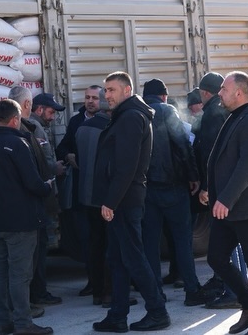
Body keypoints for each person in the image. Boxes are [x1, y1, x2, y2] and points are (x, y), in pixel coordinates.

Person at [92, 71, 170, 333]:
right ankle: (117, 315)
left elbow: (126, 167)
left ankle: (157, 312)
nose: (107, 95)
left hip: (124, 201)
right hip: (122, 199)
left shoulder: (130, 117)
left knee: (134, 258)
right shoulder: (127, 115)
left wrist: (111, 202)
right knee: (117, 259)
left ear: (127, 91)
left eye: (112, 90)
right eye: (106, 90)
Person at [199, 71, 248, 335]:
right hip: (228, 207)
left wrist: (225, 198)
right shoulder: (235, 117)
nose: (219, 93)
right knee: (216, 258)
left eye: (223, 89)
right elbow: (222, 159)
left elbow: (247, 167)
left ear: (238, 93)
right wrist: (209, 189)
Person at [0, 99, 55, 335]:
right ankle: (23, 323)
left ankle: (2, 322)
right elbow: (33, 184)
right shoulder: (19, 144)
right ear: (15, 119)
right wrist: (47, 186)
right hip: (20, 222)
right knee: (20, 274)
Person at [139, 79, 208, 307]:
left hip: (146, 190)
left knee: (150, 243)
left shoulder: (137, 111)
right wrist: (193, 176)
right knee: (182, 240)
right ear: (163, 96)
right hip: (173, 187)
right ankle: (191, 289)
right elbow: (182, 145)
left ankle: (155, 293)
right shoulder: (167, 110)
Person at [193, 72, 242, 308]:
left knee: (224, 240)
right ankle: (233, 287)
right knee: (232, 240)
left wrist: (206, 186)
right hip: (230, 186)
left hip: (220, 188)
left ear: (204, 93)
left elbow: (211, 156)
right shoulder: (228, 112)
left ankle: (233, 291)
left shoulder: (212, 114)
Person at [54, 84, 102, 297]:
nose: (90, 101)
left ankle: (107, 283)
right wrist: (68, 156)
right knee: (87, 239)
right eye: (87, 97)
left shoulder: (106, 122)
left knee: (104, 240)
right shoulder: (76, 121)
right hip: (81, 193)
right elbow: (62, 147)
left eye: (94, 98)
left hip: (101, 193)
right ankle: (93, 281)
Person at [28, 92, 67, 307]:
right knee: (38, 248)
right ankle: (39, 292)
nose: (52, 117)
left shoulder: (33, 126)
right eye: (51, 112)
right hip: (40, 198)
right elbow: (43, 163)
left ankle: (37, 291)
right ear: (39, 109)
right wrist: (56, 168)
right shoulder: (35, 128)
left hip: (38, 197)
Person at [75, 88, 112, 306]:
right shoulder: (108, 129)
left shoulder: (82, 128)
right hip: (104, 197)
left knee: (95, 246)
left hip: (85, 196)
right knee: (110, 246)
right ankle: (109, 293)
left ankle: (97, 291)